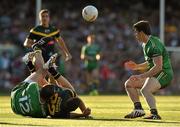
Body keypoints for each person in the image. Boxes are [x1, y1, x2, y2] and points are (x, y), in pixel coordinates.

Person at [11, 50, 91, 118]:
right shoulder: (43, 112)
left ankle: (37, 52)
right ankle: (38, 64)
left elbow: (38, 80)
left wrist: (45, 72)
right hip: (15, 108)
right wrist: (82, 114)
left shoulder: (34, 89)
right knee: (42, 77)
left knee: (42, 72)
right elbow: (69, 115)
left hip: (16, 93)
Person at [124, 20, 173, 119]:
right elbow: (150, 63)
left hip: (164, 73)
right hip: (156, 73)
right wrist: (137, 66)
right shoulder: (145, 44)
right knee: (129, 84)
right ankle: (138, 110)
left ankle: (154, 114)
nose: (135, 35)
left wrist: (140, 76)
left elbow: (158, 67)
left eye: (136, 32)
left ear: (141, 33)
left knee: (145, 90)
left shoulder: (153, 45)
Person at [23, 9, 71, 84]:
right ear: (40, 18)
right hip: (39, 56)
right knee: (39, 77)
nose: (45, 18)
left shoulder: (54, 30)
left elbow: (60, 41)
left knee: (53, 77)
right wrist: (36, 45)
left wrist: (67, 53)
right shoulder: (35, 30)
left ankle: (51, 94)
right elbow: (26, 43)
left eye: (46, 16)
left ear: (49, 18)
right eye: (43, 16)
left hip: (51, 55)